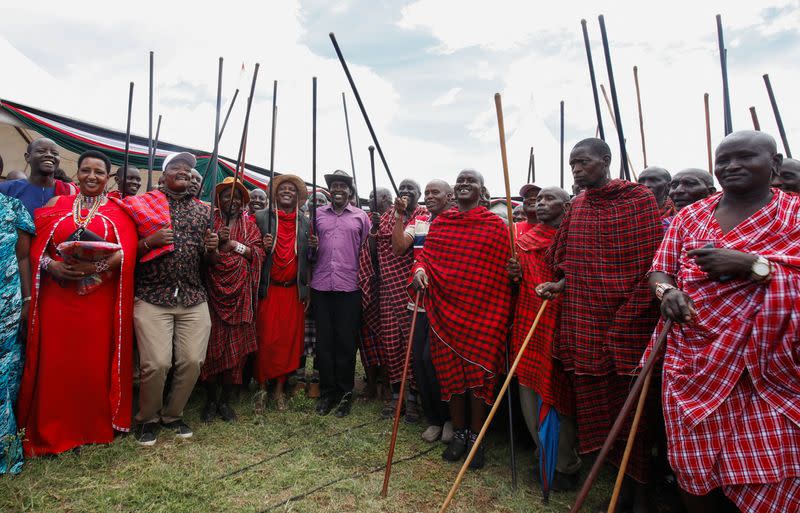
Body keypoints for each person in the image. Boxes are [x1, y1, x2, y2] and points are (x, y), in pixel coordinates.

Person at [647, 131, 800, 513]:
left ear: (775, 164)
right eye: (723, 160)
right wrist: (668, 294)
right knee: (692, 463)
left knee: (771, 465)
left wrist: (752, 265)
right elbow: (660, 272)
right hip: (691, 362)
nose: (731, 166)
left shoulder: (794, 214)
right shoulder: (690, 217)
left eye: (745, 157)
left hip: (769, 369)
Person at [538, 138, 662, 509]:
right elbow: (571, 262)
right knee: (593, 410)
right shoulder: (577, 207)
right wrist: (559, 284)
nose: (575, 169)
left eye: (583, 162)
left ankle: (640, 494)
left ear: (606, 161)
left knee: (633, 415)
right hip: (584, 325)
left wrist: (628, 314)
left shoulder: (638, 201)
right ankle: (614, 490)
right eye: (572, 164)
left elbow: (654, 263)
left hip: (630, 323)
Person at [15, 150, 138, 457]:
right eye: (86, 170)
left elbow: (127, 253)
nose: (92, 176)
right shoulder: (56, 205)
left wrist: (93, 268)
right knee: (55, 363)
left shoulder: (119, 209)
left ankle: (89, 429)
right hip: (58, 297)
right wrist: (51, 265)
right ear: (77, 173)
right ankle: (51, 430)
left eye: (99, 171)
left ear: (108, 177)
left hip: (98, 302)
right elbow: (34, 248)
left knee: (91, 365)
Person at [411, 169, 513, 469]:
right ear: (455, 193)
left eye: (472, 181)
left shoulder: (496, 226)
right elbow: (424, 258)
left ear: (483, 192)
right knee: (451, 375)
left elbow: (506, 271)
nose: (465, 183)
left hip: (485, 315)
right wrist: (418, 271)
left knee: (479, 378)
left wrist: (515, 273)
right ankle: (459, 433)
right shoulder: (441, 224)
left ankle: (477, 438)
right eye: (461, 181)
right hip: (446, 314)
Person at [122, 152, 219, 445]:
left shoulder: (204, 211)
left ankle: (173, 415)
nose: (185, 172)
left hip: (192, 296)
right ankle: (147, 419)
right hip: (153, 295)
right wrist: (149, 242)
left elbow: (209, 262)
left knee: (192, 360)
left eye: (189, 170)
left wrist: (213, 248)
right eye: (177, 167)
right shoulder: (141, 205)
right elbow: (125, 250)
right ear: (162, 177)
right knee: (156, 363)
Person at [507, 186, 581, 490]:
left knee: (557, 396)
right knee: (529, 393)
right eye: (539, 199)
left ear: (567, 207)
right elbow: (515, 287)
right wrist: (514, 274)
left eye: (550, 198)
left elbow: (580, 280)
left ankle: (564, 464)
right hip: (528, 326)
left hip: (561, 329)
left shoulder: (575, 242)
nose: (541, 202)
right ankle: (543, 454)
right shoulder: (523, 242)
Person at [392, 179, 454, 443]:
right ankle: (434, 419)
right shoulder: (419, 223)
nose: (429, 196)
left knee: (437, 361)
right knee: (419, 360)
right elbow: (398, 247)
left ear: (449, 196)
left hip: (447, 306)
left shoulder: (457, 223)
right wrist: (398, 215)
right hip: (418, 302)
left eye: (434, 192)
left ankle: (451, 418)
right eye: (426, 193)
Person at [201, 178, 264, 422]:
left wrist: (234, 245)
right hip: (213, 295)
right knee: (211, 349)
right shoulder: (209, 222)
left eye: (238, 197)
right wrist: (214, 246)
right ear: (219, 199)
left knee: (235, 353)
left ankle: (225, 401)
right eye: (227, 195)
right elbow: (205, 260)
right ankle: (210, 400)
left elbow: (257, 253)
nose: (233, 200)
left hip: (240, 297)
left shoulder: (250, 227)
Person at [311, 170, 371, 418]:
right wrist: (310, 249)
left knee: (346, 343)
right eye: (334, 185)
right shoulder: (316, 216)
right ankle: (328, 393)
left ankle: (345, 395)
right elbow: (308, 252)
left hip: (350, 287)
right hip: (321, 285)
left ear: (349, 191)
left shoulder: (360, 217)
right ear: (329, 190)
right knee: (324, 343)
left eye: (342, 186)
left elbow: (367, 252)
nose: (337, 189)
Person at [253, 174, 310, 412]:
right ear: (275, 194)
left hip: (293, 292)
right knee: (266, 339)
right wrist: (260, 245)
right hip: (269, 289)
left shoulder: (306, 223)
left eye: (292, 189)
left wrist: (313, 246)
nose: (287, 191)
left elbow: (310, 260)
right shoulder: (261, 217)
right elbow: (250, 247)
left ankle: (279, 391)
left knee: (288, 341)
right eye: (282, 189)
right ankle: (262, 389)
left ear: (297, 196)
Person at [371, 179, 426, 421]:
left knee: (410, 344)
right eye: (401, 190)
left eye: (410, 190)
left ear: (419, 194)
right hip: (387, 290)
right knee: (391, 343)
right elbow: (377, 249)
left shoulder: (423, 216)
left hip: (410, 288)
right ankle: (396, 398)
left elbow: (399, 249)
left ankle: (413, 400)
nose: (405, 193)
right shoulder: (386, 216)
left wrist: (401, 217)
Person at [0, 194, 33, 474]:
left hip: (5, 301)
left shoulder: (12, 207)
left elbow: (23, 257)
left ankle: (6, 451)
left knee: (4, 376)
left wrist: (26, 300)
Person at [357, 186, 394, 400]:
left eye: (375, 195)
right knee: (367, 337)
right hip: (368, 283)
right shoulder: (367, 219)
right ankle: (371, 384)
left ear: (387, 199)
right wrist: (374, 232)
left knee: (388, 338)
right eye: (369, 195)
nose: (370, 199)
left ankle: (388, 385)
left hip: (388, 285)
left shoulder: (396, 217)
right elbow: (367, 251)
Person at [0, 138, 77, 215]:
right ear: (27, 157)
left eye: (55, 153)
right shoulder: (6, 189)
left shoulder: (71, 192)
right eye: (41, 151)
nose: (49, 155)